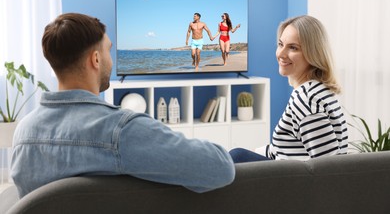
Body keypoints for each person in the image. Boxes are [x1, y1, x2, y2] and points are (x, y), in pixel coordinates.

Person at [11, 13, 235, 198]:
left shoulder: (24, 131)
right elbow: (220, 168)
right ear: (96, 59)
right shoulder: (121, 129)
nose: (111, 59)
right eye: (108, 50)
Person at [229, 15, 348, 163]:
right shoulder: (319, 90)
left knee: (236, 157)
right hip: (290, 173)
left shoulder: (306, 99)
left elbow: (328, 168)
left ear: (313, 53)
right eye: (280, 44)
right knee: (236, 156)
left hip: (294, 183)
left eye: (293, 48)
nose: (281, 54)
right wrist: (255, 153)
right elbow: (286, 149)